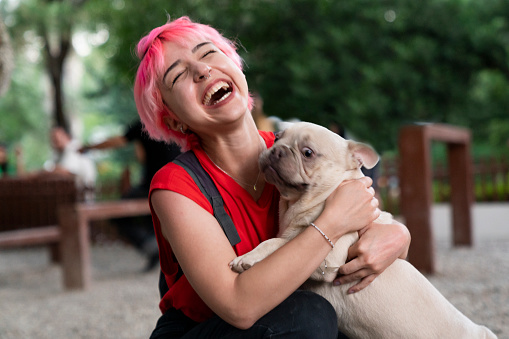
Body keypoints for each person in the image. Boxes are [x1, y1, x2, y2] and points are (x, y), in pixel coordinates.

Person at [134, 16, 410, 338]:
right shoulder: (176, 186)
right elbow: (239, 306)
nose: (202, 70)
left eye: (209, 53)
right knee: (307, 314)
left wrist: (398, 236)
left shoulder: (301, 154)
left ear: (236, 66)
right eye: (178, 74)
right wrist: (331, 224)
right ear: (174, 119)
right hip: (205, 329)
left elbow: (364, 223)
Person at [80, 120, 181, 271]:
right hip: (180, 183)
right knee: (153, 218)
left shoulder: (146, 123)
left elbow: (119, 141)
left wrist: (88, 147)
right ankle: (158, 249)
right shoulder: (177, 119)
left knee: (117, 215)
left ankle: (151, 246)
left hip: (154, 185)